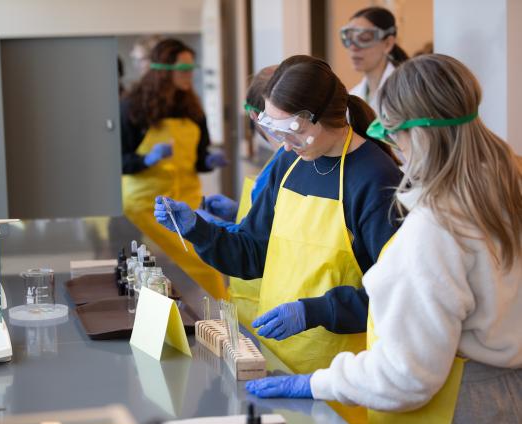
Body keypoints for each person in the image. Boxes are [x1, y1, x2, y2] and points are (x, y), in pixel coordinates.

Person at [246, 54, 522, 424]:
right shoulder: (508, 184)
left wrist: (316, 383)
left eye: (391, 133)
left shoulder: (437, 224)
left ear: (415, 132)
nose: (394, 148)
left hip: (457, 408)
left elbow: (407, 375)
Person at [155, 55, 403, 375]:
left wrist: (316, 311)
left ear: (319, 117)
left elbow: (395, 295)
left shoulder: (375, 178)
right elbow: (254, 254)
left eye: (291, 132)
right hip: (273, 357)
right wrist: (198, 229)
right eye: (275, 131)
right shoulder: (290, 164)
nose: (284, 146)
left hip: (341, 373)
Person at [121, 38, 228, 299]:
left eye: (192, 69)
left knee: (209, 259)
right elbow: (120, 162)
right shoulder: (133, 107)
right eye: (183, 69)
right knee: (199, 264)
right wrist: (147, 159)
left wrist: (208, 161)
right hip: (148, 206)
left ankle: (214, 320)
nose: (189, 75)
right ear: (163, 69)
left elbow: (198, 158)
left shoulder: (193, 108)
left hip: (187, 200)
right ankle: (221, 317)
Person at [195, 65, 281, 329]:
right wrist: (238, 214)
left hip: (266, 297)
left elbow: (267, 243)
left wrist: (206, 228)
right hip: (255, 296)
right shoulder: (278, 161)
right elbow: (271, 222)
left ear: (255, 116)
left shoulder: (284, 165)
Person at [342, 7, 408, 113]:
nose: (353, 47)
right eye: (349, 39)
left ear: (388, 44)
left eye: (364, 38)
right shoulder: (354, 95)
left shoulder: (406, 90)